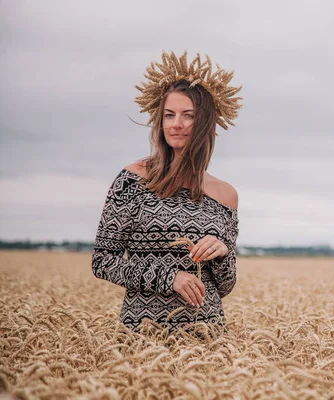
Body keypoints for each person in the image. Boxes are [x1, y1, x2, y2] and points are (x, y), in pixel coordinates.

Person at [91, 51, 242, 336]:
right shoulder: (132, 179)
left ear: (206, 123)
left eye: (188, 115)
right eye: (169, 115)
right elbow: (102, 261)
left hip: (208, 339)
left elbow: (225, 286)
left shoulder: (226, 195)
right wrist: (169, 277)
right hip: (143, 335)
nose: (177, 124)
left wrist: (222, 253)